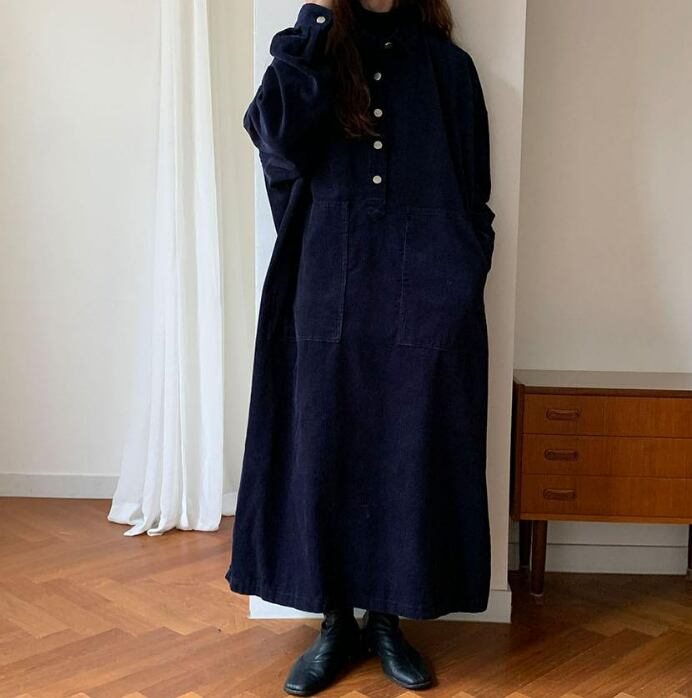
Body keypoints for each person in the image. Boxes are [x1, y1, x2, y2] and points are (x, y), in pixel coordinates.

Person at [226, 0, 496, 694]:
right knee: (324, 448)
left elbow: (475, 195)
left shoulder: (447, 69)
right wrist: (315, 22)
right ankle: (334, 624)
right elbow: (274, 137)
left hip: (426, 294)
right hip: (325, 285)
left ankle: (387, 621)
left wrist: (460, 274)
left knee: (408, 453)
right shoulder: (313, 58)